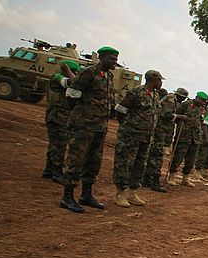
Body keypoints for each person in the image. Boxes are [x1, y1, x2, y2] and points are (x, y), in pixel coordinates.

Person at [59, 45, 119, 213]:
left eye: (116, 59)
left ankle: (86, 195)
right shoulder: (88, 72)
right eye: (111, 59)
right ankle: (67, 197)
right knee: (76, 159)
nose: (115, 62)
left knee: (94, 162)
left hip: (100, 127)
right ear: (101, 58)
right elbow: (72, 93)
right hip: (83, 126)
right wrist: (80, 115)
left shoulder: (108, 76)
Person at [111, 70, 163, 208]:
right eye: (159, 80)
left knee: (140, 165)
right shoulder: (136, 92)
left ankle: (132, 193)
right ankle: (120, 193)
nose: (161, 83)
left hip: (146, 137)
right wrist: (128, 127)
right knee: (125, 163)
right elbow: (120, 110)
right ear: (152, 79)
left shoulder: (155, 96)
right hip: (131, 136)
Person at [143, 87, 187, 193]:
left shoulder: (174, 101)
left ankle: (146, 179)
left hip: (162, 130)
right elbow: (167, 115)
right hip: (159, 130)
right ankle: (154, 180)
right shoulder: (171, 100)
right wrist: (180, 116)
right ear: (179, 96)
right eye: (183, 98)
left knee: (155, 154)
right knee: (157, 155)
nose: (184, 100)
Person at [43, 60, 79, 184]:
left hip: (57, 115)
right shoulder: (58, 77)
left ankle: (48, 169)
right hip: (58, 116)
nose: (74, 74)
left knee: (54, 143)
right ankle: (57, 172)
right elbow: (73, 82)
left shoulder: (58, 77)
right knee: (60, 144)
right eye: (74, 71)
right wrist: (69, 70)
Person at [168, 91, 208, 187]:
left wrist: (203, 136)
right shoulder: (185, 104)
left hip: (195, 137)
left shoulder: (202, 109)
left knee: (191, 159)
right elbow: (174, 116)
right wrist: (181, 117)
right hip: (183, 136)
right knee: (178, 157)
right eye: (201, 100)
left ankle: (185, 177)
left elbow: (202, 123)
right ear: (197, 98)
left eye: (204, 101)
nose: (202, 103)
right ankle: (171, 176)